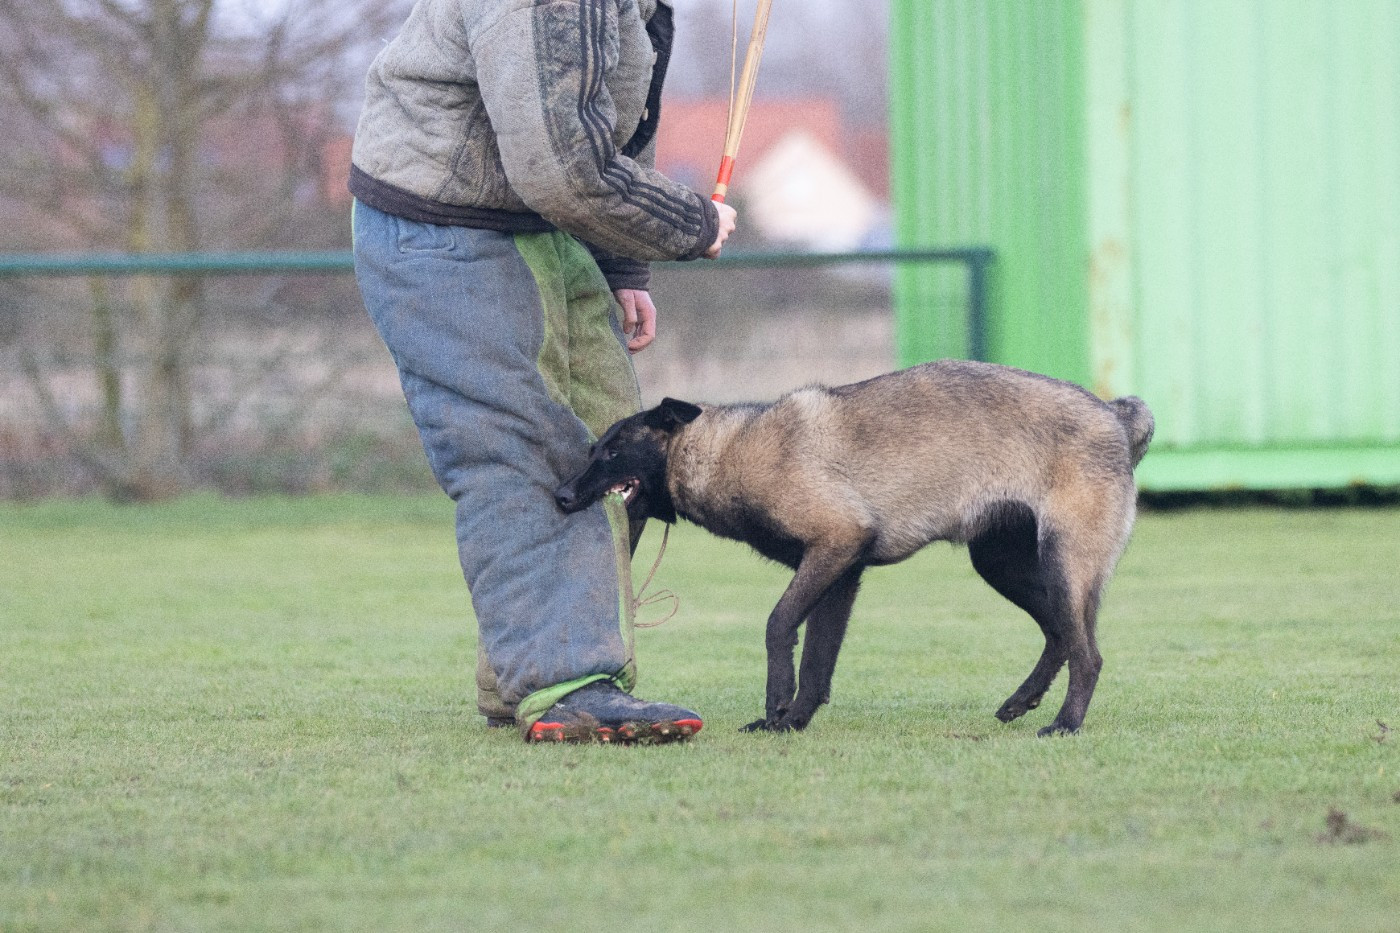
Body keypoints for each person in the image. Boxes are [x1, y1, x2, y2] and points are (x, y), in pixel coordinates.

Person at [348, 0, 737, 744]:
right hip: (443, 226)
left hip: (540, 224)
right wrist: (688, 222)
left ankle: (522, 669)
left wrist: (625, 261)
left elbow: (616, 117)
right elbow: (560, 165)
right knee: (528, 451)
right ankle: (566, 679)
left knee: (617, 448)